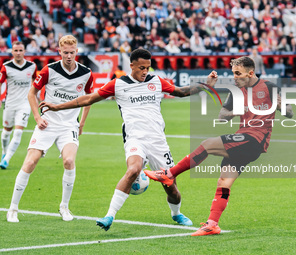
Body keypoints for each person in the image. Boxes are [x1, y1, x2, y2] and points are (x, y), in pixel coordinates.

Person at [39, 48, 218, 231]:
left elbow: (181, 92)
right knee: (133, 170)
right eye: (141, 68)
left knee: (171, 187)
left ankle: (176, 213)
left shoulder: (156, 81)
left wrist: (206, 85)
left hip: (157, 141)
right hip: (135, 139)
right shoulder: (117, 84)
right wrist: (57, 107)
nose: (145, 71)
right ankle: (109, 216)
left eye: (148, 68)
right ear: (131, 65)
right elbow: (88, 99)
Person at [145, 56, 294, 236]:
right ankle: (212, 224)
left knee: (207, 145)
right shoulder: (236, 91)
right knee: (224, 181)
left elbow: (290, 113)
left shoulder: (269, 87)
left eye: (238, 74)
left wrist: (280, 105)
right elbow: (222, 116)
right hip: (242, 138)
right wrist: (236, 111)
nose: (235, 78)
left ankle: (169, 174)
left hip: (254, 139)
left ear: (251, 73)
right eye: (233, 74)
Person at [6, 35, 93, 223]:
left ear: (76, 52)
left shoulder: (86, 73)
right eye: (65, 52)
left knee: (69, 161)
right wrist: (37, 118)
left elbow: (88, 99)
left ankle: (64, 206)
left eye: (72, 52)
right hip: (47, 123)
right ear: (59, 52)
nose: (69, 56)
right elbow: (32, 94)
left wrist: (82, 123)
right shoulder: (49, 70)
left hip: (69, 125)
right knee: (30, 163)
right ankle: (13, 208)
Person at [0, 41, 37, 169]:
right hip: (10, 103)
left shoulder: (32, 66)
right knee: (6, 133)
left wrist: (36, 98)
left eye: (20, 50)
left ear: (24, 51)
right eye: (16, 50)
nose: (18, 53)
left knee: (18, 133)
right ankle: (4, 153)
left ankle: (6, 160)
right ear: (12, 52)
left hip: (24, 103)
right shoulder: (6, 66)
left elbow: (35, 82)